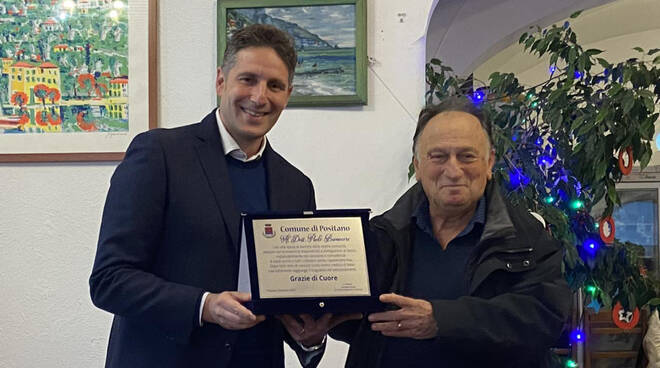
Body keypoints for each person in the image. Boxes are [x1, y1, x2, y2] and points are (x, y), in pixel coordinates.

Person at [89, 24, 342, 368]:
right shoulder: (160, 154)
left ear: (289, 93)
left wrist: (309, 338)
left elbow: (286, 298)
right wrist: (204, 305)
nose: (259, 97)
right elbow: (109, 279)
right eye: (248, 79)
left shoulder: (297, 185)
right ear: (221, 81)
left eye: (275, 86)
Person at [331, 97, 571, 367]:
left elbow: (547, 318)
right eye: (438, 156)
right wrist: (318, 327)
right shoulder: (381, 236)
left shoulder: (527, 236)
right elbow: (363, 324)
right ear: (418, 165)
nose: (453, 170)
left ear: (489, 163)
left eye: (467, 156)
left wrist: (441, 320)